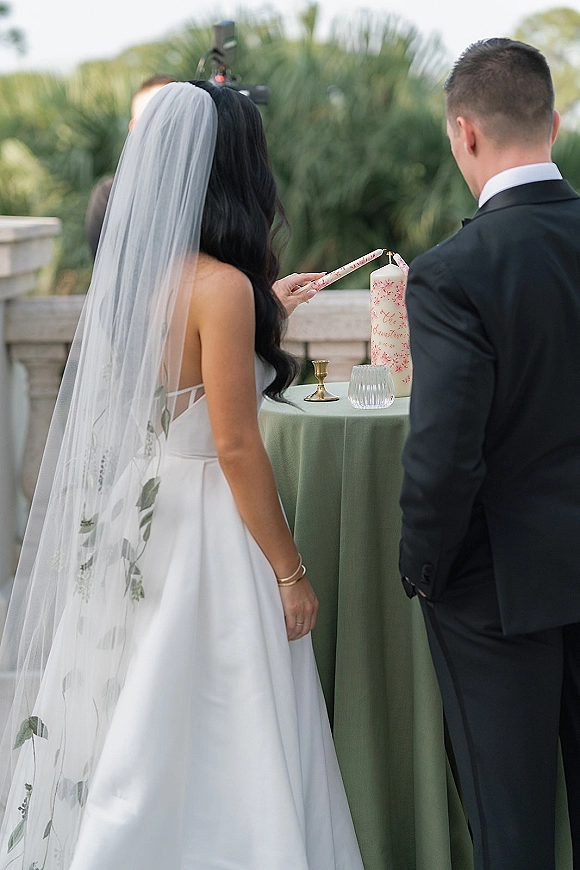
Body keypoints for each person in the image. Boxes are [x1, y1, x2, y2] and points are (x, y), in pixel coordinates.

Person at [0, 82, 363, 870]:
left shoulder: (138, 279)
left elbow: (181, 374)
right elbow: (233, 444)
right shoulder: (220, 288)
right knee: (229, 714)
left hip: (142, 513)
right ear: (236, 174)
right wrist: (290, 571)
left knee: (140, 710)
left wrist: (265, 306)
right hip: (206, 526)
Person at [399, 38, 580, 870]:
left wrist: (423, 567)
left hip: (497, 591)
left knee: (513, 840)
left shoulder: (453, 273)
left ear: (464, 133)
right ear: (549, 123)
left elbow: (445, 454)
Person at [85, 74, 176, 259]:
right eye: (150, 117)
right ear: (134, 127)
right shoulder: (109, 195)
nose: (160, 126)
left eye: (169, 114)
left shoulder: (214, 189)